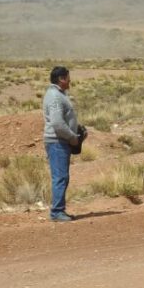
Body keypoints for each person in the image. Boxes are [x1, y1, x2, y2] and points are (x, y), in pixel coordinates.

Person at [43, 66, 82, 221]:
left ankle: (59, 211)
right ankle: (57, 212)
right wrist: (73, 137)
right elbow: (58, 124)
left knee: (61, 177)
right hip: (57, 142)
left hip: (60, 141)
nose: (70, 80)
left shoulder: (58, 94)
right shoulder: (55, 96)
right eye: (68, 77)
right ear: (61, 79)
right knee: (60, 177)